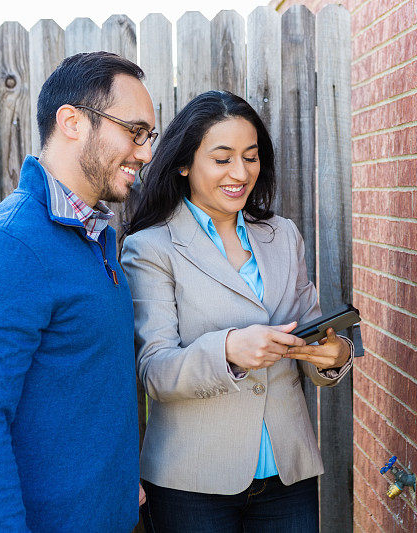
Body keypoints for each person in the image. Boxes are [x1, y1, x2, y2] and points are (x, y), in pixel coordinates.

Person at [0, 51, 156, 531]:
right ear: (73, 122)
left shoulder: (92, 236)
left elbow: (82, 386)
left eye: (149, 137)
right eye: (135, 132)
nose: (145, 152)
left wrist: (118, 479)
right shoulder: (9, 247)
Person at [121, 90, 353, 532]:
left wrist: (335, 356)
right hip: (191, 483)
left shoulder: (282, 235)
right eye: (222, 158)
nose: (240, 173)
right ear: (185, 163)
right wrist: (228, 350)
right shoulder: (151, 248)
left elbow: (316, 332)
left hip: (287, 472)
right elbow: (154, 370)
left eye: (251, 157)